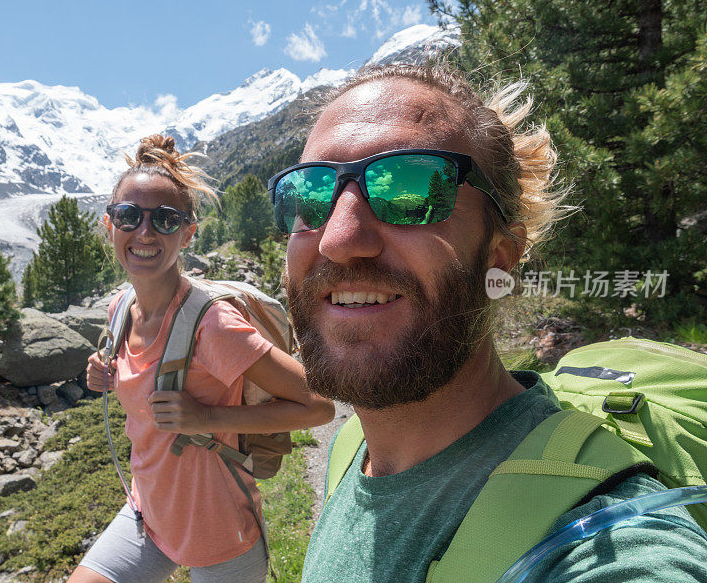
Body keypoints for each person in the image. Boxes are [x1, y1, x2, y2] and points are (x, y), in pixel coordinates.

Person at [267, 63, 707, 582]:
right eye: (311, 196)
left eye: (409, 191)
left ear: (498, 259)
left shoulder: (605, 535)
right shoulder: (350, 449)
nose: (337, 239)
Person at [68, 134, 334, 583]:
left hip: (222, 532)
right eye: (129, 216)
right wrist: (110, 377)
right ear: (110, 225)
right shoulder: (119, 308)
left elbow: (320, 406)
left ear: (189, 233)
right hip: (147, 514)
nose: (145, 232)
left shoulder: (213, 326)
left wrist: (206, 416)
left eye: (166, 220)